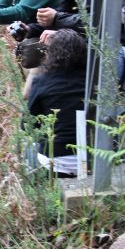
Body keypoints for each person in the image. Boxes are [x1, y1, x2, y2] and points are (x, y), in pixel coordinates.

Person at [27, 29, 88, 178]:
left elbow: (29, 124)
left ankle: (35, 189)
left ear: (51, 54)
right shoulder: (92, 80)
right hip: (94, 157)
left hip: (56, 160)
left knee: (29, 146)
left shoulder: (42, 82)